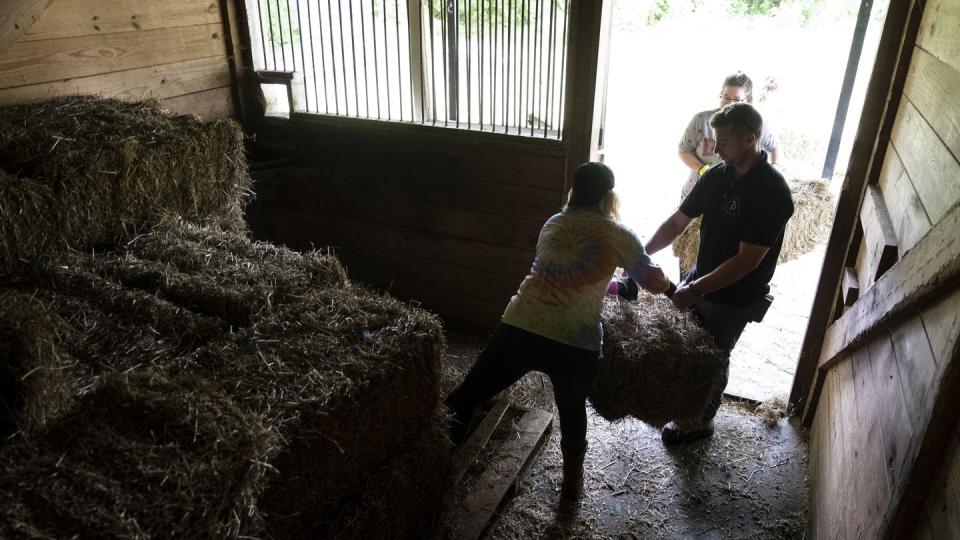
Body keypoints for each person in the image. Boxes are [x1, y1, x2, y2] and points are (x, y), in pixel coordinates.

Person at [445, 162, 671, 495]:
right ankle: (573, 481)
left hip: (520, 326)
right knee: (572, 410)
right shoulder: (619, 234)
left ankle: (438, 459)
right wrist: (670, 287)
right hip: (574, 342)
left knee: (466, 397)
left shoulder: (554, 223)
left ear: (574, 191)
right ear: (609, 197)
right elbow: (651, 283)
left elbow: (562, 277)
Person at [647, 102, 794, 445]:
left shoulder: (771, 191)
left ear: (749, 139)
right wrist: (641, 252)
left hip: (735, 294)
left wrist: (695, 289)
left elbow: (748, 260)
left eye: (723, 141)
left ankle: (699, 423)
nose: (714, 148)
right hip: (703, 275)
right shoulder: (716, 174)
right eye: (715, 141)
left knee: (713, 356)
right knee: (688, 345)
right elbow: (678, 221)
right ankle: (685, 405)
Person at [678, 71, 780, 199]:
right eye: (725, 97)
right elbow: (683, 150)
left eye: (737, 100)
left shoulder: (757, 124)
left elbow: (774, 146)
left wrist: (775, 171)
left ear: (748, 100)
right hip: (697, 193)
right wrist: (703, 170)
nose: (729, 104)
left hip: (734, 200)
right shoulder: (700, 120)